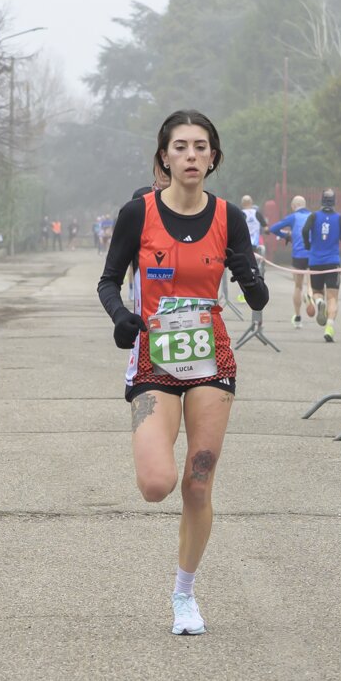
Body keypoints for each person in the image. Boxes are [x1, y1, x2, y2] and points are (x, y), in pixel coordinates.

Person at [97, 109, 268, 637]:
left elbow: (254, 292)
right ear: (164, 157)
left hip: (211, 358)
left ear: (213, 157)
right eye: (181, 147)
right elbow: (108, 280)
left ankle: (184, 594)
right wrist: (121, 316)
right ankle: (182, 585)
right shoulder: (138, 213)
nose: (191, 155)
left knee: (197, 481)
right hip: (154, 357)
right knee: (156, 484)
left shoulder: (229, 217)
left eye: (200, 147)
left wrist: (250, 278)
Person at [301, 189, 341, 342]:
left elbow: (305, 230)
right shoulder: (339, 218)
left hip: (315, 261)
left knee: (317, 291)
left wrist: (308, 244)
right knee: (333, 297)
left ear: (321, 200)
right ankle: (329, 327)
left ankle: (319, 302)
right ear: (334, 201)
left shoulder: (314, 216)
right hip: (333, 262)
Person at [267, 195, 314, 328]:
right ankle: (310, 295)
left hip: (298, 255)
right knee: (311, 283)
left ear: (293, 206)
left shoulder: (293, 217)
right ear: (304, 205)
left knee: (298, 286)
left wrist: (286, 235)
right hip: (312, 254)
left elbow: (273, 228)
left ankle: (298, 318)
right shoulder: (313, 216)